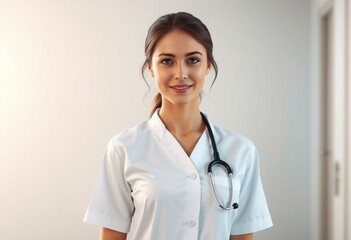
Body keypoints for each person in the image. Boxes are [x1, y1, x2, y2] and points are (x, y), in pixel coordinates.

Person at [84, 12, 273, 240]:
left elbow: (242, 234)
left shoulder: (241, 150)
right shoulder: (123, 148)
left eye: (193, 60)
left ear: (208, 66)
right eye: (167, 61)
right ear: (151, 68)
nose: (180, 73)